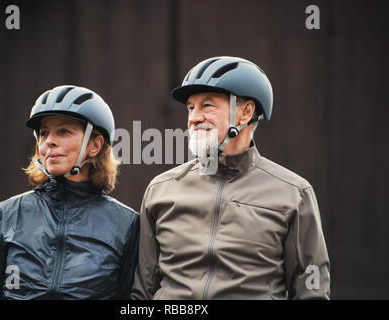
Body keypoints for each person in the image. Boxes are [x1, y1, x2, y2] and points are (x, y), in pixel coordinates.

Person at [132, 56, 330, 300]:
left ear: (246, 112)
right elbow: (142, 292)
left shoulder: (294, 193)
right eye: (191, 107)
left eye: (208, 105)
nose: (193, 118)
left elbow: (312, 291)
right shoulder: (160, 190)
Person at [0, 85, 139, 299]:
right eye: (43, 133)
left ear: (94, 145)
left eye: (64, 131)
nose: (49, 141)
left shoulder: (127, 224)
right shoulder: (8, 213)